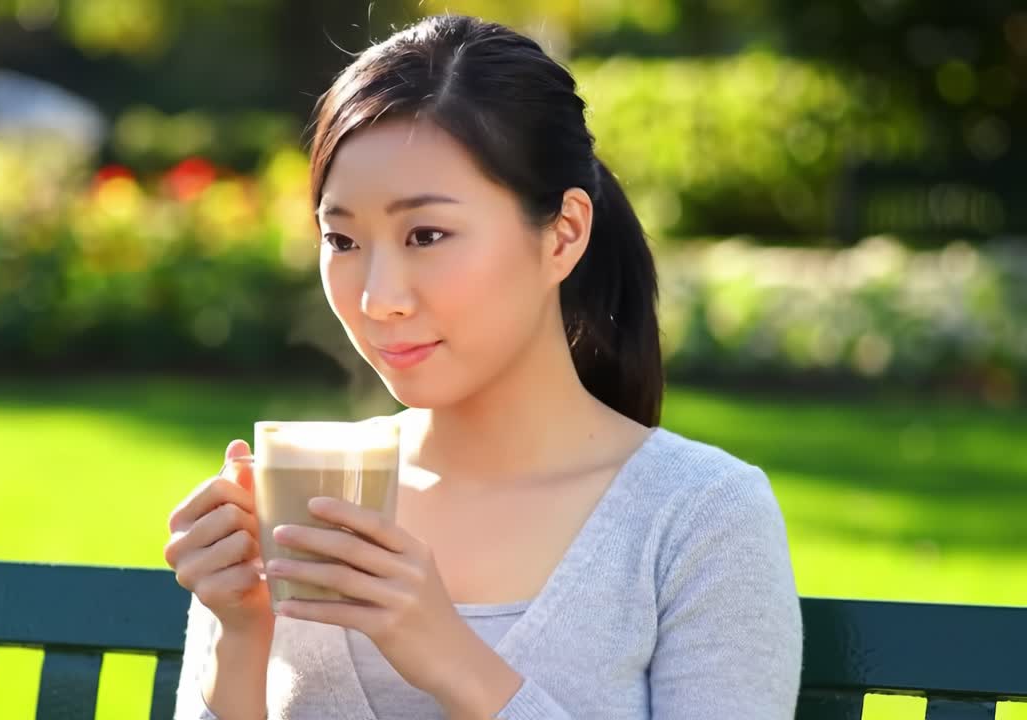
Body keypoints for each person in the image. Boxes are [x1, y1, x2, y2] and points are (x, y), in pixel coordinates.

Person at [163, 14, 803, 720]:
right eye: (341, 239)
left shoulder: (697, 518)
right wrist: (238, 632)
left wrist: (454, 661)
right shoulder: (301, 498)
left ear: (563, 235)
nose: (379, 298)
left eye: (426, 234)